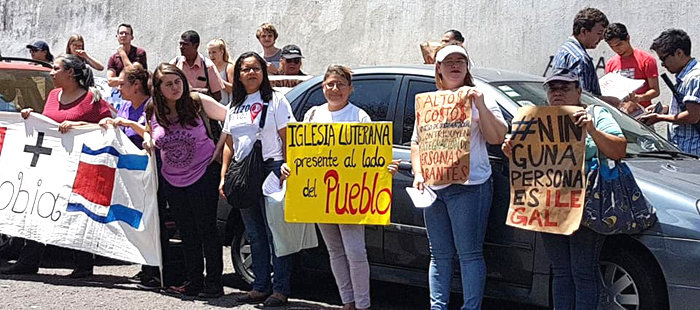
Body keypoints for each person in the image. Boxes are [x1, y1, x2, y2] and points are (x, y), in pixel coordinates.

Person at [502, 69, 627, 310]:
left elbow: (619, 150)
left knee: (582, 271)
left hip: (585, 205)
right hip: (549, 204)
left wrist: (591, 130)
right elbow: (529, 165)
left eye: (565, 87)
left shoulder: (595, 113)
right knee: (560, 271)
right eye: (552, 88)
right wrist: (512, 152)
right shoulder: (536, 119)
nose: (557, 92)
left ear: (579, 92)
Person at [279, 65, 398, 310]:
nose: (335, 89)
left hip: (350, 198)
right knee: (335, 251)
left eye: (341, 84)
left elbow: (372, 157)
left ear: (350, 89)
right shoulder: (313, 115)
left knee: (355, 252)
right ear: (323, 87)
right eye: (330, 84)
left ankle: (362, 304)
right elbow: (302, 155)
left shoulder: (359, 116)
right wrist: (288, 167)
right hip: (321, 196)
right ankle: (347, 302)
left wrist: (385, 169)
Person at [410, 44, 507, 310]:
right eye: (448, 61)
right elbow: (417, 142)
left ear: (467, 67)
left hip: (469, 186)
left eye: (460, 61)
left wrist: (480, 106)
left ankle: (470, 307)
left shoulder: (481, 94)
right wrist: (418, 173)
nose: (455, 65)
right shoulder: (431, 100)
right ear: (438, 69)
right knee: (438, 255)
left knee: (469, 254)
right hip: (434, 188)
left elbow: (497, 136)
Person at [2, 54, 112, 278]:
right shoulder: (53, 95)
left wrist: (77, 125)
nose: (52, 73)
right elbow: (48, 124)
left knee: (76, 211)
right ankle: (29, 259)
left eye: (56, 69)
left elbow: (108, 125)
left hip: (79, 166)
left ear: (70, 73)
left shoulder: (92, 97)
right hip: (51, 163)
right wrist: (30, 116)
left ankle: (83, 263)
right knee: (40, 207)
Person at [143, 63, 227, 298]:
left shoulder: (197, 102)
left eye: (177, 81)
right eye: (168, 84)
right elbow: (149, 131)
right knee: (187, 232)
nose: (174, 87)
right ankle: (194, 281)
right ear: (158, 88)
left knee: (206, 230)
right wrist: (148, 140)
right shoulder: (153, 108)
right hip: (172, 179)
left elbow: (232, 119)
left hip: (203, 175)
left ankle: (213, 283)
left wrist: (219, 148)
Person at [219, 51, 294, 307]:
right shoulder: (234, 105)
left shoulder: (276, 100)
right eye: (245, 69)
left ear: (263, 72)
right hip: (242, 173)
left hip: (271, 170)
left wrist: (287, 168)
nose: (251, 73)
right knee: (254, 234)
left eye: (255, 68)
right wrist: (224, 175)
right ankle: (260, 286)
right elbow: (229, 144)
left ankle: (280, 289)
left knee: (276, 233)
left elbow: (288, 139)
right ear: (238, 75)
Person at [641, 29, 700, 155]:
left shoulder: (693, 77)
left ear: (679, 53)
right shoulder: (685, 76)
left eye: (663, 58)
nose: (662, 64)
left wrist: (659, 117)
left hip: (693, 151)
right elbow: (688, 108)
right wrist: (665, 109)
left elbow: (693, 116)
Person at [552, 8, 619, 104]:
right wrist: (610, 101)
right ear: (583, 31)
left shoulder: (564, 50)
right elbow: (584, 99)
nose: (602, 38)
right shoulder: (580, 58)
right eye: (599, 33)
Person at [604, 23, 659, 114]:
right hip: (620, 115)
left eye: (619, 45)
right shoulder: (610, 63)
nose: (616, 49)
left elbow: (655, 90)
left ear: (628, 38)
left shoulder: (646, 60)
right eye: (611, 46)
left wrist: (639, 98)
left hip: (643, 115)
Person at [171, 31, 225, 103]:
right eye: (180, 44)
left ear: (195, 46)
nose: (181, 47)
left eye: (185, 44)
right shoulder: (175, 63)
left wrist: (196, 92)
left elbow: (217, 96)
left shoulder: (208, 66)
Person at [207, 38, 235, 105]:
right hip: (213, 106)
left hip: (227, 106)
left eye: (214, 52)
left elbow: (234, 89)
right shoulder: (209, 67)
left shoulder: (229, 67)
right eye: (209, 52)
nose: (211, 56)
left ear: (222, 52)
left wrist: (218, 80)